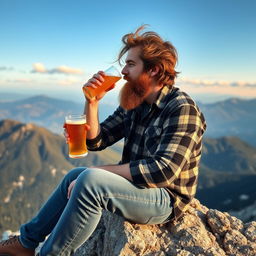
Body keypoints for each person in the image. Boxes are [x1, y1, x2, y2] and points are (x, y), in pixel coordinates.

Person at [0, 25, 206, 256]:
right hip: (137, 188)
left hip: (165, 198)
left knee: (89, 179)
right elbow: (97, 140)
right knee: (75, 174)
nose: (123, 72)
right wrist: (92, 101)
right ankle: (26, 243)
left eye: (130, 64)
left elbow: (163, 171)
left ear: (155, 70)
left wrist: (99, 171)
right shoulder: (135, 102)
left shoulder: (181, 108)